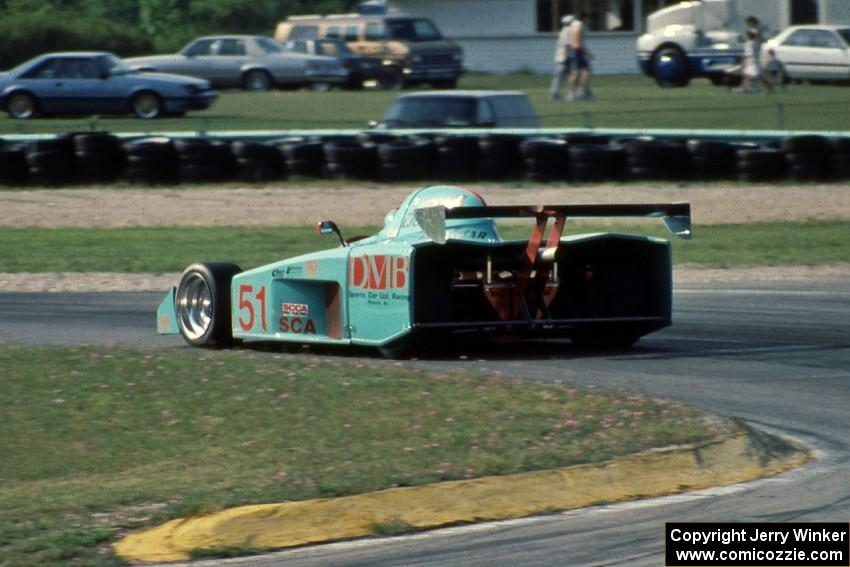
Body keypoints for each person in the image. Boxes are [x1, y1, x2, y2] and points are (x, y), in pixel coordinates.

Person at [566, 13, 593, 101]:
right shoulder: (579, 26)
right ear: (584, 18)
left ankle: (582, 91)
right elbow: (578, 41)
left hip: (576, 50)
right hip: (577, 51)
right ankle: (572, 94)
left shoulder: (573, 26)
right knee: (576, 72)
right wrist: (586, 52)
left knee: (586, 70)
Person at [549, 15, 573, 100]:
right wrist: (567, 57)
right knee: (561, 76)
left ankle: (555, 93)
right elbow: (567, 45)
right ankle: (555, 94)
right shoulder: (568, 31)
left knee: (560, 76)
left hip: (560, 57)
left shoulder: (562, 31)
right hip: (564, 58)